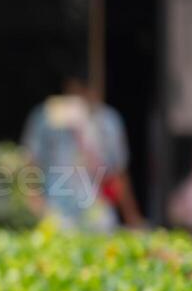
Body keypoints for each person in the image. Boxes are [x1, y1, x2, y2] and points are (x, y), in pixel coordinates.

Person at [21, 69, 145, 232]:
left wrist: (132, 218)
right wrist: (35, 203)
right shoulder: (45, 116)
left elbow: (118, 174)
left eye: (85, 91)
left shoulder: (107, 120)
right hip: (55, 209)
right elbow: (30, 163)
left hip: (96, 209)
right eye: (74, 91)